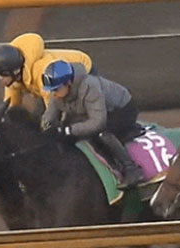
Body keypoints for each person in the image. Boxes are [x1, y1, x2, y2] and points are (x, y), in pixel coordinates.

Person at [40, 59, 145, 190]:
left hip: (122, 109)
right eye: (51, 90)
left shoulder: (90, 86)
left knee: (102, 134)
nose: (54, 93)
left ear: (68, 83)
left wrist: (67, 130)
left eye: (56, 89)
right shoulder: (56, 93)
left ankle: (132, 169)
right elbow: (49, 117)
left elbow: (98, 123)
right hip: (93, 111)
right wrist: (45, 129)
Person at [0, 33, 93, 110]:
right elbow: (12, 105)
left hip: (82, 71)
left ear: (15, 71)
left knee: (80, 114)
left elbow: (53, 102)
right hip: (56, 89)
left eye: (3, 74)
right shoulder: (13, 81)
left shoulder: (42, 71)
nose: (0, 78)